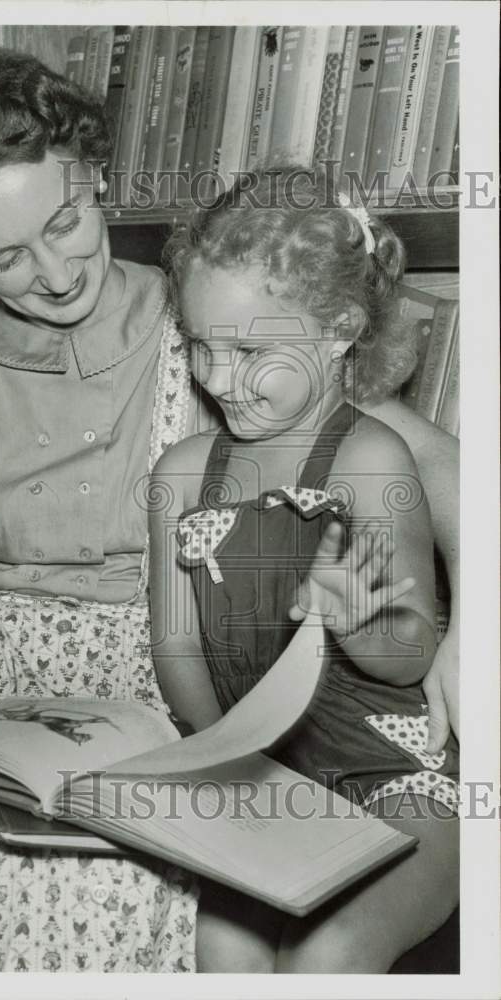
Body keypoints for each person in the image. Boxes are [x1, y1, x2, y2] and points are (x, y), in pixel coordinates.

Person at [0, 47, 458, 972]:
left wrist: (472, 631)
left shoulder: (210, 326)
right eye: (1, 257)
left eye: (65, 221)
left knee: (40, 873)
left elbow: (430, 469)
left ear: (97, 178)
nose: (53, 271)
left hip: (154, 698)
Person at [150, 166, 459, 972]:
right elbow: (176, 646)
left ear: (338, 331)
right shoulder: (182, 475)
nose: (218, 379)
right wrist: (224, 756)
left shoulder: (367, 460)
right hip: (262, 773)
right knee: (222, 950)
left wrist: (364, 622)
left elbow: (412, 654)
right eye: (198, 346)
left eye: (251, 350)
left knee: (329, 954)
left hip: (390, 770)